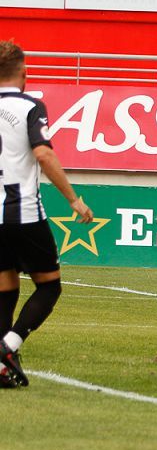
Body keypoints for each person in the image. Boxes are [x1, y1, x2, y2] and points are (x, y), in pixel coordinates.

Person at [0, 40, 94, 387]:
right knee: (49, 287)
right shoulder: (29, 106)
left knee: (5, 288)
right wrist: (73, 200)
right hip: (22, 212)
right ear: (23, 73)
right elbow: (44, 154)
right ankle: (7, 347)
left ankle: (2, 366)